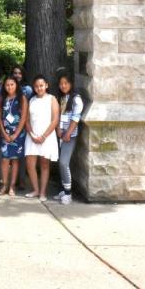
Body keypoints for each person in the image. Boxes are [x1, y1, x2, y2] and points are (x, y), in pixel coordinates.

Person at [24, 75, 59, 200]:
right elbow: (26, 120)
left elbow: (55, 120)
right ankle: (36, 190)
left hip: (47, 136)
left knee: (44, 164)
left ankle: (43, 192)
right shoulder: (31, 100)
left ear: (46, 85)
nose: (39, 88)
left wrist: (44, 136)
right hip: (32, 135)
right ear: (34, 87)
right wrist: (33, 135)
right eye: (37, 86)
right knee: (30, 164)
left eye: (41, 85)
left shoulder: (52, 99)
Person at [54, 73, 83, 205]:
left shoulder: (76, 99)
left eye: (66, 83)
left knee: (64, 163)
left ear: (71, 84)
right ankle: (63, 189)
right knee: (60, 162)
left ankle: (68, 194)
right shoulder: (62, 97)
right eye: (61, 83)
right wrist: (58, 130)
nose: (63, 85)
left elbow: (75, 118)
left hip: (69, 136)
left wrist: (67, 133)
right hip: (60, 134)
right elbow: (59, 116)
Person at [0, 76, 28, 196]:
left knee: (15, 160)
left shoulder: (22, 98)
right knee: (5, 160)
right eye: (7, 85)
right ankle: (4, 184)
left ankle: (12, 186)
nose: (9, 87)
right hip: (5, 134)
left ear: (16, 85)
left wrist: (16, 134)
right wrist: (4, 133)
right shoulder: (2, 99)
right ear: (4, 86)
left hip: (18, 134)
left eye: (12, 84)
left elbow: (24, 118)